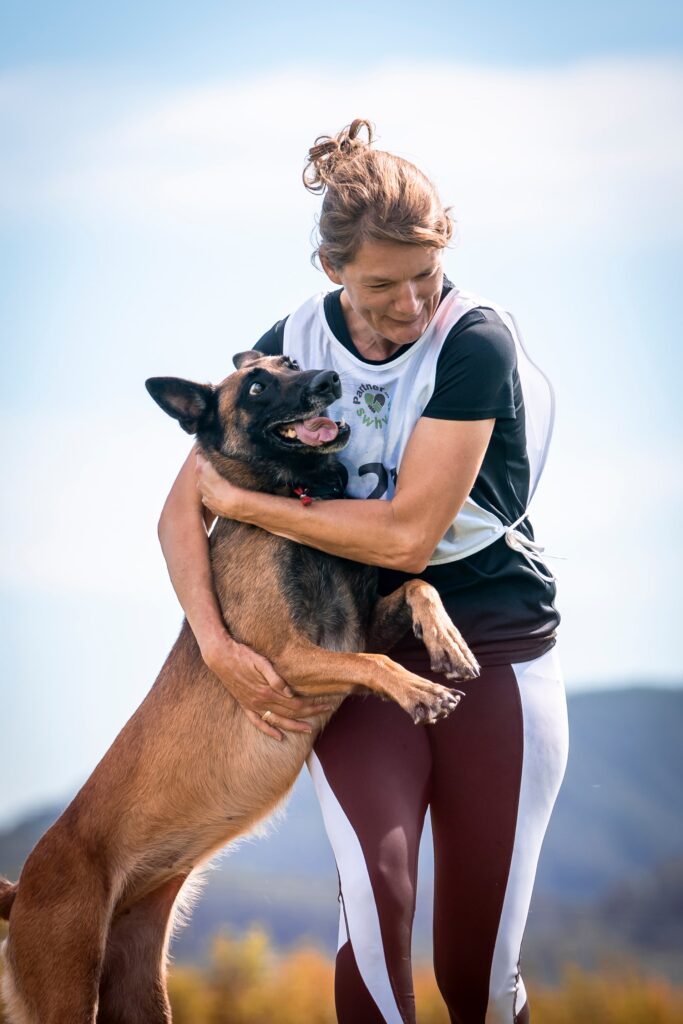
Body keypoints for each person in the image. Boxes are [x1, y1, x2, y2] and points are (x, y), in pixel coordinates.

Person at [158, 119, 568, 1024]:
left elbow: (407, 541)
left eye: (424, 276)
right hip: (356, 653)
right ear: (330, 269)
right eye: (382, 284)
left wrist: (256, 506)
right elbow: (178, 507)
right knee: (377, 926)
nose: (410, 304)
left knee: (478, 979)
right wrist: (218, 644)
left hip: (493, 647)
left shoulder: (474, 344)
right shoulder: (290, 342)